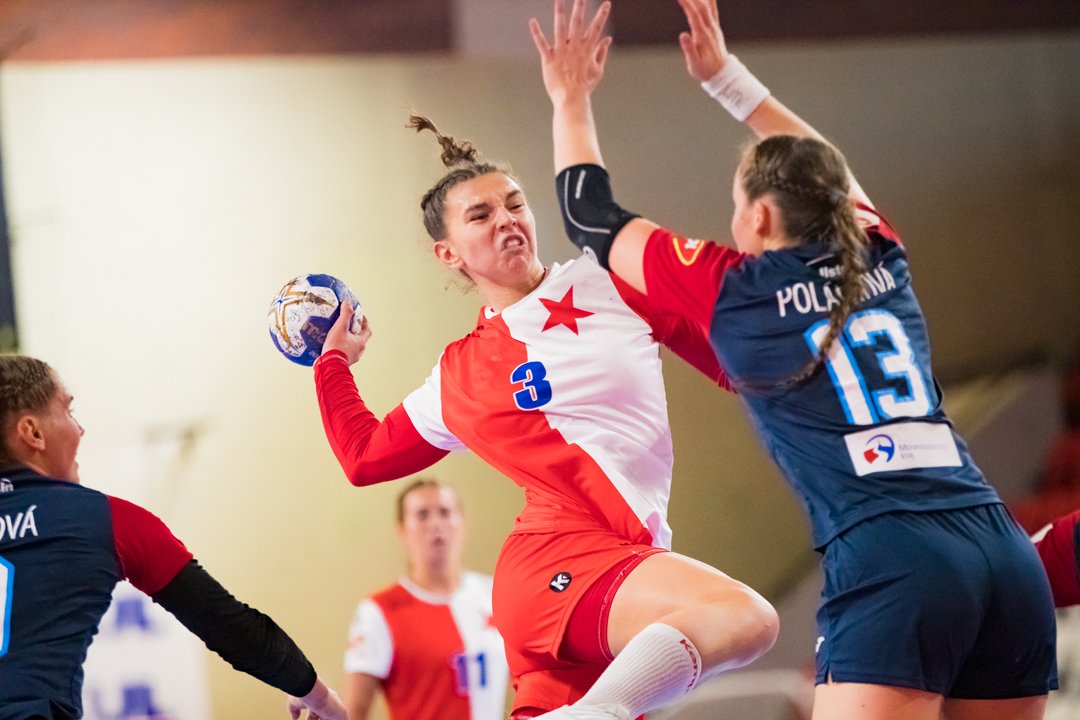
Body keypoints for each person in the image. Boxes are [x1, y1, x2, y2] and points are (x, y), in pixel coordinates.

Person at [530, 1, 1058, 719]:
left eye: (736, 204)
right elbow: (826, 168)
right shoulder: (879, 252)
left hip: (896, 559)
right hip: (1003, 551)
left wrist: (569, 97)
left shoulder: (736, 286)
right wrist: (728, 81)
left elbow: (589, 215)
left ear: (759, 216)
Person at [312, 109, 779, 717]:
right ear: (448, 253)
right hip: (558, 564)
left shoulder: (612, 280)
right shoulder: (460, 372)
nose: (506, 220)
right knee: (745, 616)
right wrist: (333, 364)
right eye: (480, 215)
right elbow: (363, 457)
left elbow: (741, 369)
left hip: (622, 563)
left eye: (515, 204)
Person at [0, 355, 346, 720]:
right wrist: (318, 697)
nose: (80, 429)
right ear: (32, 432)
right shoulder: (108, 520)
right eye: (69, 411)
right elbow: (228, 626)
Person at [342, 478, 509, 720]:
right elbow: (353, 712)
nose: (436, 524)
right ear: (402, 530)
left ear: (462, 523)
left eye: (445, 512)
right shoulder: (379, 611)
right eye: (422, 515)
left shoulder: (494, 594)